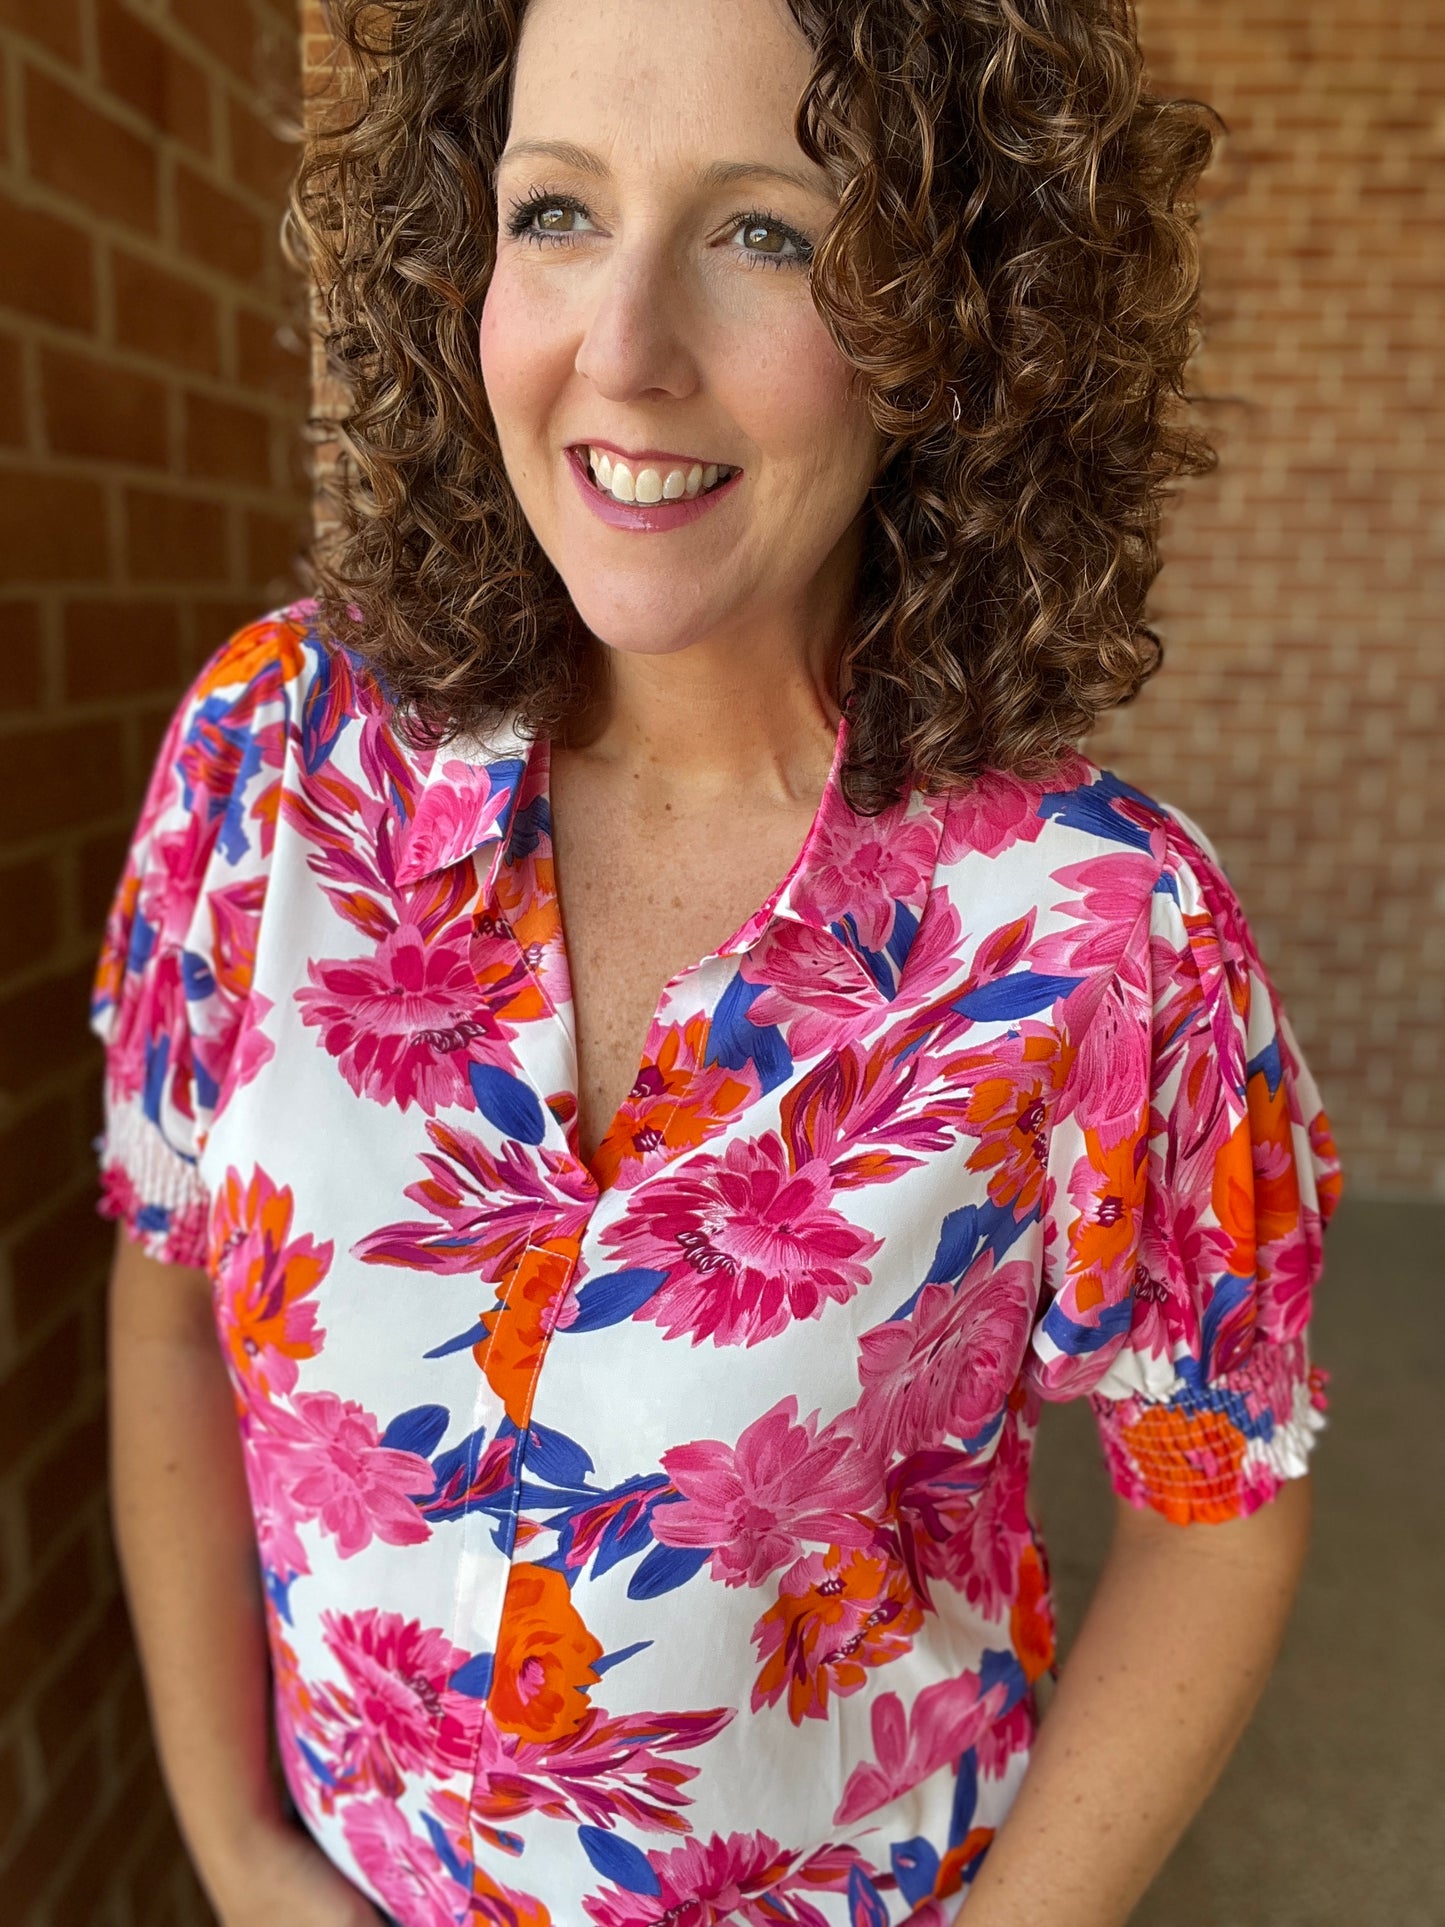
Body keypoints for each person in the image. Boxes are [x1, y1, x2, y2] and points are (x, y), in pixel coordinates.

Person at [94, 1, 1344, 1923]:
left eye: (766, 231)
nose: (623, 351)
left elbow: (1217, 1507)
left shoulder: (1100, 930)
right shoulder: (272, 762)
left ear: (952, 319)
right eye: (555, 212)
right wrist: (241, 1851)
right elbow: (172, 1302)